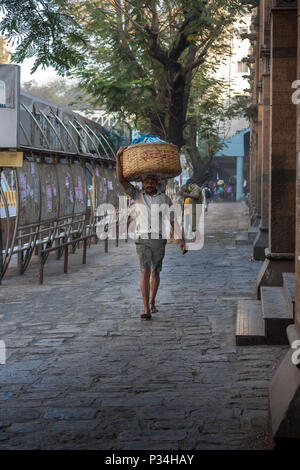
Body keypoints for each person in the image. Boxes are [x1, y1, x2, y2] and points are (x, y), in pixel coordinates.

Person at [116, 146, 187, 320]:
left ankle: (152, 301)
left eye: (151, 182)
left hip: (159, 239)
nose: (149, 185)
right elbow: (121, 179)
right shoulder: (136, 194)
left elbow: (173, 221)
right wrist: (118, 158)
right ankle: (146, 308)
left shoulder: (164, 199)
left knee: (155, 272)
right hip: (142, 239)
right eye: (146, 182)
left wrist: (182, 240)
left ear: (157, 183)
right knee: (144, 272)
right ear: (142, 184)